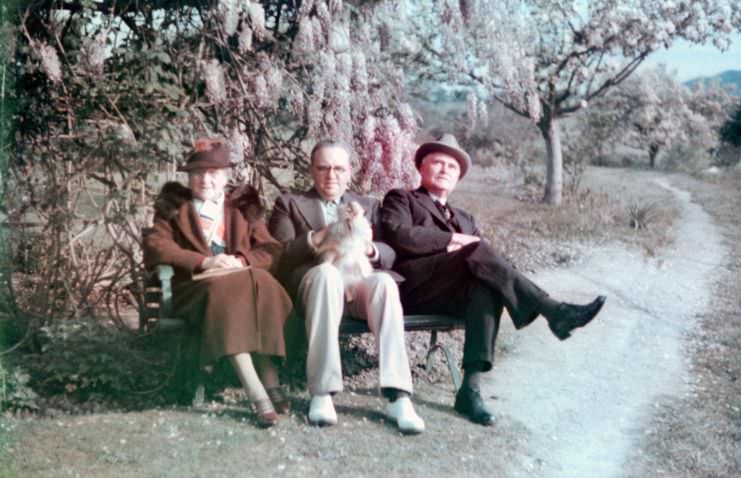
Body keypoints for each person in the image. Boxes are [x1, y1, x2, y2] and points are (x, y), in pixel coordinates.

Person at [380, 133, 606, 426]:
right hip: (414, 288)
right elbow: (399, 234)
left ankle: (470, 391)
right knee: (477, 249)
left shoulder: (465, 216)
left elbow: (485, 263)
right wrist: (454, 239)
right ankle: (554, 311)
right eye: (437, 162)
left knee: (487, 286)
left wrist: (465, 242)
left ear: (458, 178)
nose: (445, 169)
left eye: (452, 166)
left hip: (451, 293)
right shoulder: (402, 198)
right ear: (421, 168)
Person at [268, 139, 425, 434]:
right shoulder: (289, 203)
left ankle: (398, 395)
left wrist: (369, 248)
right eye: (323, 168)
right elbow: (278, 256)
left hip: (357, 283)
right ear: (312, 171)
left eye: (339, 168)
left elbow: (390, 253)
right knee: (326, 274)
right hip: (316, 288)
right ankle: (323, 393)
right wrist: (317, 238)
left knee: (384, 283)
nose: (331, 175)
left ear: (349, 172)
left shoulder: (366, 205)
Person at [144, 138, 292, 428]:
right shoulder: (174, 205)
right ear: (188, 177)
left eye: (213, 173)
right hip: (197, 287)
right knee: (227, 291)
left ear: (225, 177)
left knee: (262, 281)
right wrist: (204, 262)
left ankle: (268, 371)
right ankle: (256, 388)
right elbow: (156, 245)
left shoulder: (243, 206)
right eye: (198, 173)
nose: (205, 180)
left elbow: (271, 248)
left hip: (241, 282)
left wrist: (240, 260)